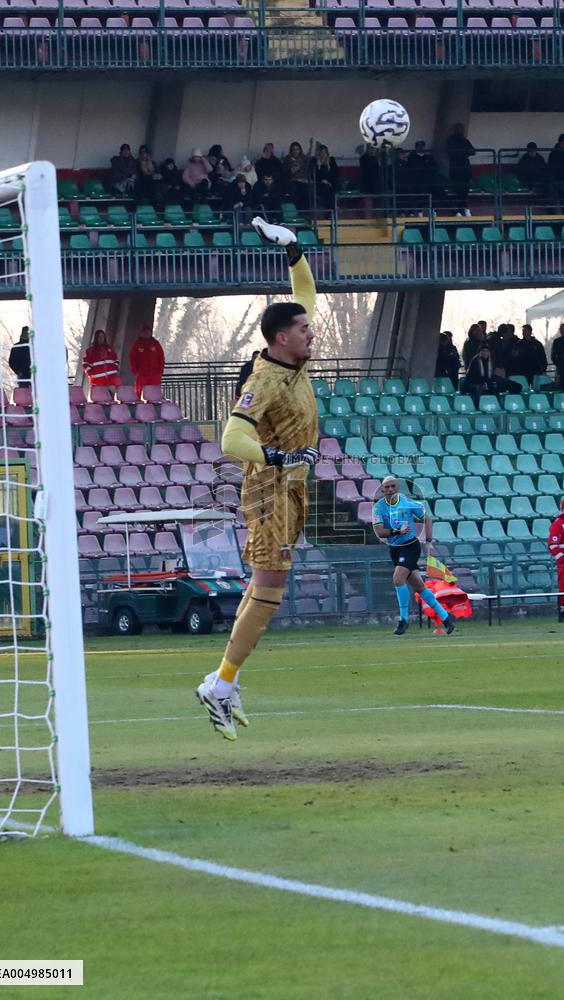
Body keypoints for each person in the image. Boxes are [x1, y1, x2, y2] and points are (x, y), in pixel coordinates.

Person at [196, 217, 320, 741]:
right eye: (305, 329)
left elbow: (306, 292)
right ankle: (220, 685)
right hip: (270, 491)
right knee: (271, 585)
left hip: (292, 488)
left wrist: (292, 248)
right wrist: (271, 455)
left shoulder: (293, 358)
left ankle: (225, 680)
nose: (312, 331)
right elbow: (230, 440)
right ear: (280, 338)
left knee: (265, 584)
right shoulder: (264, 380)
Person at [372, 476, 455, 637]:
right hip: (395, 549)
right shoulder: (379, 508)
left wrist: (428, 541)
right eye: (387, 487)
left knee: (398, 579)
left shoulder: (407, 503)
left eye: (393, 486)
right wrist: (396, 531)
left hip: (410, 546)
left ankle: (404, 620)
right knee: (419, 586)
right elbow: (379, 531)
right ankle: (446, 617)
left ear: (398, 487)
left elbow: (427, 519)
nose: (390, 489)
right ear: (382, 490)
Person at [445, 123, 475, 215]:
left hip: (465, 170)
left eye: (461, 129)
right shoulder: (450, 140)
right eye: (458, 128)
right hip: (455, 169)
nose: (459, 130)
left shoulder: (464, 140)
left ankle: (464, 208)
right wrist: (462, 153)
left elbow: (472, 151)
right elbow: (451, 153)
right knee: (457, 191)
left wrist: (462, 153)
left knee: (464, 190)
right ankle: (458, 210)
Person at [128, 324, 165, 398]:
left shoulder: (155, 343)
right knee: (139, 393)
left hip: (154, 374)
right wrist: (135, 370)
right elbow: (132, 358)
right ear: (141, 333)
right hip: (142, 375)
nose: (146, 334)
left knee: (154, 393)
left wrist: (160, 371)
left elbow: (161, 357)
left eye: (148, 332)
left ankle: (154, 407)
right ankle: (139, 406)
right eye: (144, 332)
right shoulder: (137, 344)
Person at [283, 141, 312, 210]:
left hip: (303, 181)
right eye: (294, 149)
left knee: (306, 191)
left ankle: (305, 213)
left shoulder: (304, 159)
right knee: (294, 191)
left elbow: (307, 171)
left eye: (297, 149)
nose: (295, 151)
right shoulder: (287, 159)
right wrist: (293, 170)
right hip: (292, 181)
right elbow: (285, 173)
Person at [312, 144, 340, 213]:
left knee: (329, 191)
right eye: (321, 152)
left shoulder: (331, 161)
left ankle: (330, 213)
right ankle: (331, 212)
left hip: (331, 184)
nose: (323, 154)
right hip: (319, 185)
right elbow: (314, 176)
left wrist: (329, 182)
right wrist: (318, 166)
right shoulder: (314, 161)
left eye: (324, 152)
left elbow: (335, 174)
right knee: (327, 190)